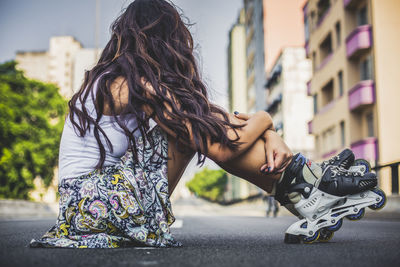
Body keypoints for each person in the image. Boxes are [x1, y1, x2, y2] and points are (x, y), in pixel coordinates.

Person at [29, 0, 382, 248]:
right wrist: (266, 118)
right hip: (93, 204)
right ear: (160, 41)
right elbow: (216, 141)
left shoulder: (132, 82)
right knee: (190, 132)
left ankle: (308, 184)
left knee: (196, 120)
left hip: (97, 203)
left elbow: (209, 114)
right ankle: (307, 189)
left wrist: (271, 133)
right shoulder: (124, 84)